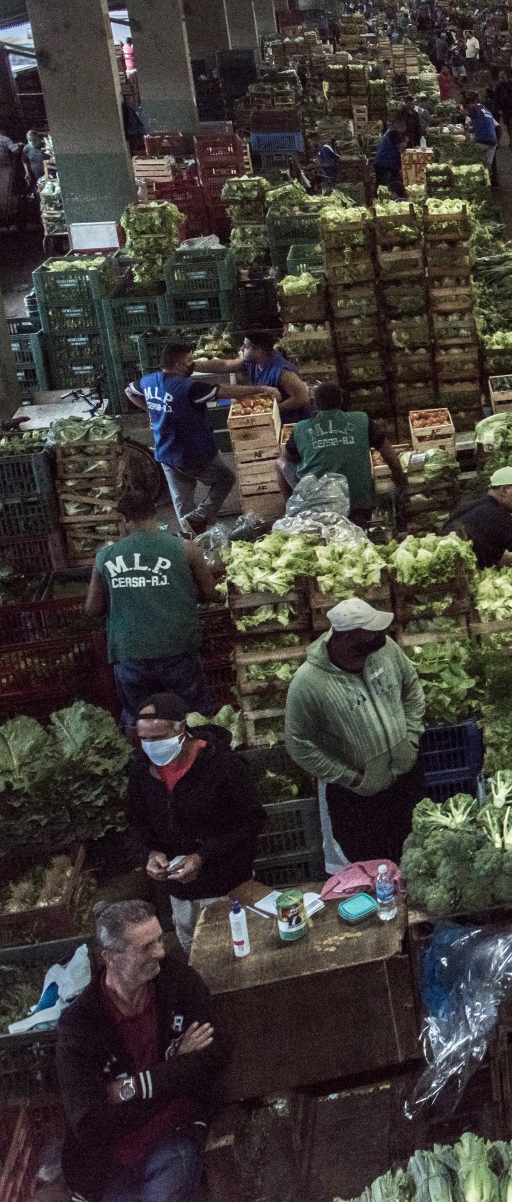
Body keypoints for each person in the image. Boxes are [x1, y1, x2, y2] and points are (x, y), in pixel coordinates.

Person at [55, 899, 228, 1202]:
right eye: (146, 947)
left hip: (174, 1133)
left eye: (160, 939)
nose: (160, 952)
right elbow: (89, 1123)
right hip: (107, 1160)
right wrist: (175, 1069)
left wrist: (131, 1088)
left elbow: (214, 1055)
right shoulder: (79, 1026)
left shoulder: (179, 982)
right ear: (110, 957)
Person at [284, 597, 427, 868]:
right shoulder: (308, 682)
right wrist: (351, 778)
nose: (380, 635)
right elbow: (299, 743)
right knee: (371, 869)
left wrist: (411, 737)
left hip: (407, 779)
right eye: (371, 631)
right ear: (348, 637)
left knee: (415, 857)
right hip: (357, 797)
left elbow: (412, 689)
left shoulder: (386, 651)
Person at [124, 693, 264, 949]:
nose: (151, 746)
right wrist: (149, 854)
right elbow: (135, 825)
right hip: (180, 893)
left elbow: (251, 822)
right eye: (144, 739)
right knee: (194, 948)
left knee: (236, 945)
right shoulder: (141, 773)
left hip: (227, 885)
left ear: (182, 727)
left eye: (159, 738)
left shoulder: (224, 766)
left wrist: (202, 857)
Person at [125, 343, 280, 535]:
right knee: (225, 479)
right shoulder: (188, 387)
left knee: (182, 500)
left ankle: (191, 539)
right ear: (180, 365)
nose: (193, 365)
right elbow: (222, 391)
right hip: (193, 452)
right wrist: (261, 389)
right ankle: (202, 515)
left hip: (165, 452)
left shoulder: (148, 381)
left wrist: (154, 410)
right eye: (190, 361)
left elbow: (129, 391)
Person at [87, 492, 216, 721]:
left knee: (139, 718)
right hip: (177, 645)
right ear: (155, 513)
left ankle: (142, 754)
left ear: (124, 519)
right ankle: (198, 754)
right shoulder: (187, 549)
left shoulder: (105, 557)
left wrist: (124, 593)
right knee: (193, 714)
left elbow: (92, 609)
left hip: (129, 650)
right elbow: (209, 593)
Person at [284, 384, 402, 527]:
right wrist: (398, 474)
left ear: (315, 404)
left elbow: (287, 458)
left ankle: (292, 513)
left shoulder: (300, 428)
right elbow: (387, 451)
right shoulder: (361, 420)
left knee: (279, 464)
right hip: (359, 501)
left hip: (318, 504)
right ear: (341, 401)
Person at [192, 329, 313, 424]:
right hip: (271, 422)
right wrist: (192, 366)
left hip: (290, 424)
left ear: (259, 351)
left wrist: (273, 410)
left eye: (245, 346)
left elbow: (302, 397)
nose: (242, 349)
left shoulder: (283, 372)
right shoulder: (251, 362)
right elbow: (224, 365)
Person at [490, 69, 512, 148]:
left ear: (506, 76)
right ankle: (511, 140)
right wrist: (498, 109)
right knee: (509, 125)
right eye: (500, 77)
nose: (501, 78)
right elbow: (496, 98)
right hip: (504, 108)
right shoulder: (499, 86)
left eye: (502, 76)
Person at [373, 123, 403, 196]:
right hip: (386, 163)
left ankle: (378, 198)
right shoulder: (394, 133)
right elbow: (400, 146)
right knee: (385, 185)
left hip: (380, 161)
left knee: (380, 184)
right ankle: (383, 199)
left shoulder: (389, 131)